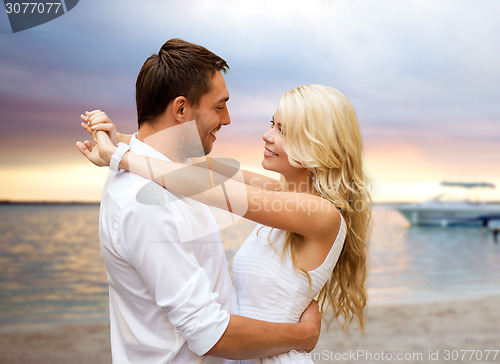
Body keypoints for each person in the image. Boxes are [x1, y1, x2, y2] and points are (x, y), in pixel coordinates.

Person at [79, 83, 371, 363]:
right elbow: (198, 168)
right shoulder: (284, 196)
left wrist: (120, 157)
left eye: (283, 130)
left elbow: (206, 187)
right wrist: (120, 138)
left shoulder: (320, 213)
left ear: (316, 143)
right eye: (272, 123)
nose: (267, 135)